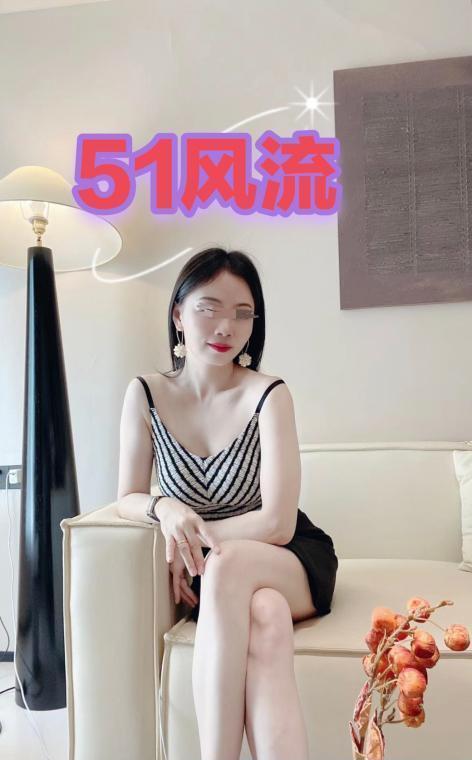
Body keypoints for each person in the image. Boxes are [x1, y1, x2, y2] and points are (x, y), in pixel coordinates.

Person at [117, 246, 338, 760]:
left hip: (287, 558)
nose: (226, 327)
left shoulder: (270, 394)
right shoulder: (145, 395)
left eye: (243, 313)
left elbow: (278, 524)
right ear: (178, 314)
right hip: (217, 576)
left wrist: (192, 545)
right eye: (209, 308)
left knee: (231, 563)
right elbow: (126, 497)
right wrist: (165, 510)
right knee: (266, 617)